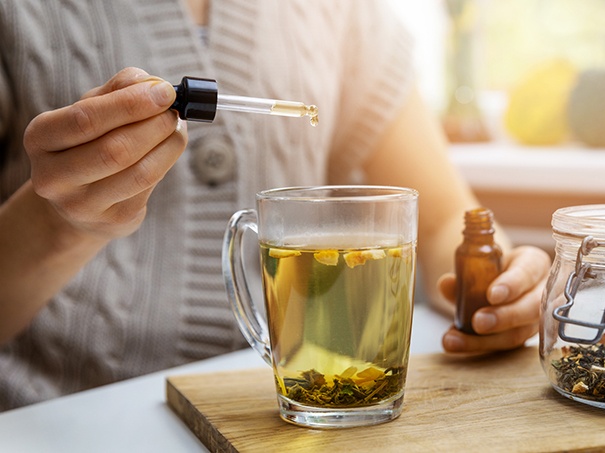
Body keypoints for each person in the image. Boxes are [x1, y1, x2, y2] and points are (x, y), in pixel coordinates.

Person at [0, 0, 550, 411]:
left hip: (299, 416)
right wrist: (60, 223)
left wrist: (501, 283)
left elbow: (440, 222)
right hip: (62, 421)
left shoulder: (341, 14)